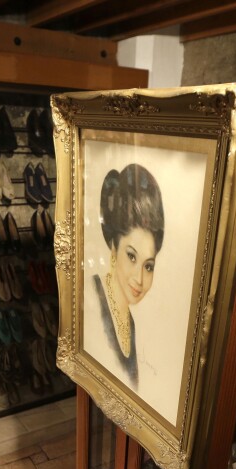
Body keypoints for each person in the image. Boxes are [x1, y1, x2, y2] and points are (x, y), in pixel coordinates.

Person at [92, 163, 164, 389]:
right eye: (131, 256)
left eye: (149, 266)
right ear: (114, 247)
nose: (140, 279)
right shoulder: (92, 296)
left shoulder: (130, 323)